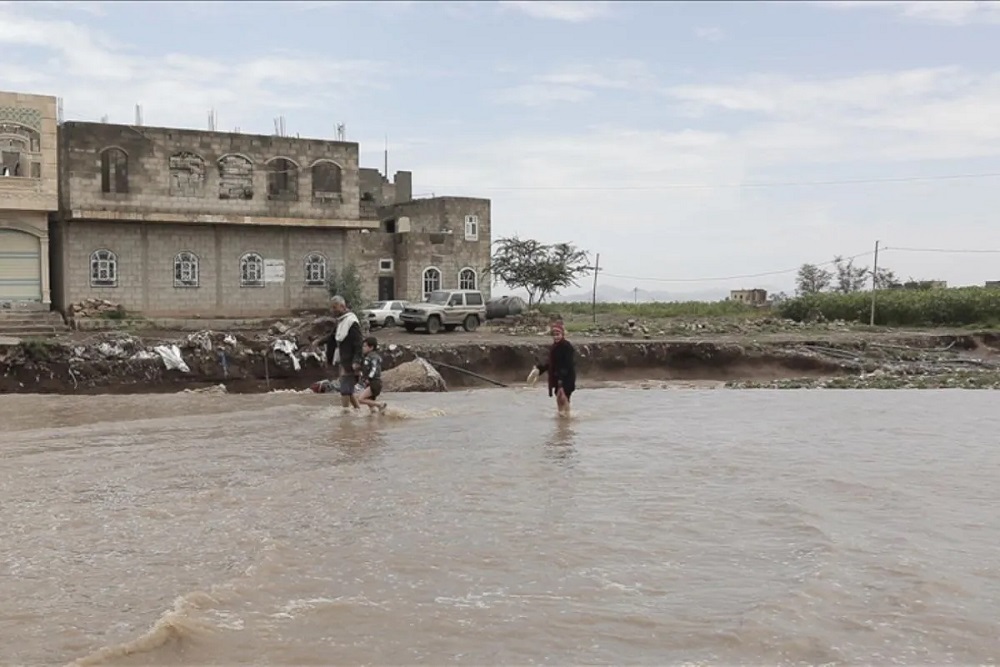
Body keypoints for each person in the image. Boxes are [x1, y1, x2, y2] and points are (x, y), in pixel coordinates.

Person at [320, 295, 364, 411]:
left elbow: (358, 343)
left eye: (335, 308)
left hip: (351, 361)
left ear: (343, 306)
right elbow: (332, 339)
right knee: (348, 390)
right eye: (332, 308)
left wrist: (356, 361)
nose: (333, 311)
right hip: (343, 360)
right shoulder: (341, 321)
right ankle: (358, 411)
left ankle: (345, 415)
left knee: (345, 389)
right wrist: (318, 341)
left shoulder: (352, 321)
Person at [527, 322, 576, 416]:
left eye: (558, 335)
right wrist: (539, 369)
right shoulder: (554, 347)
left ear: (562, 334)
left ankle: (567, 416)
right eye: (554, 335)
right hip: (557, 376)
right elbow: (551, 363)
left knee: (564, 397)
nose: (556, 337)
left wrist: (561, 379)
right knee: (558, 397)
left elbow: (568, 363)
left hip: (567, 376)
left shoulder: (567, 346)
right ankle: (561, 415)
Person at [357, 336, 387, 413]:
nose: (363, 348)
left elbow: (374, 369)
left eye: (365, 346)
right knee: (372, 408)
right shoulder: (369, 357)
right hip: (372, 382)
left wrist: (368, 378)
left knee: (361, 399)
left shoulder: (372, 357)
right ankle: (377, 419)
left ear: (371, 347)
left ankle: (380, 404)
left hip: (374, 382)